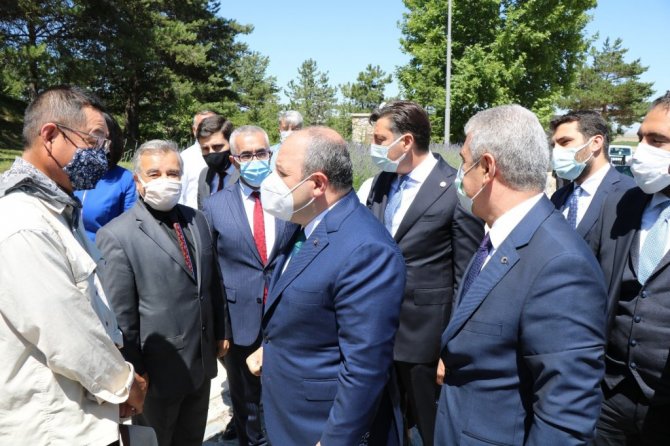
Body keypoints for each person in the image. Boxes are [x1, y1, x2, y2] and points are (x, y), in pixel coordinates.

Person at [434, 104, 607, 445]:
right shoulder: (499, 236)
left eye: (464, 162)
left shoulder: (560, 263)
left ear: (487, 168)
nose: (460, 174)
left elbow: (565, 417)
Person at [0, 85, 146, 445]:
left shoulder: (59, 209)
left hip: (83, 413)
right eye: (93, 139)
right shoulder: (23, 221)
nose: (103, 152)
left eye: (105, 142)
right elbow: (65, 329)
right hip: (55, 427)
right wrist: (124, 384)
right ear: (50, 135)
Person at [247, 127, 406, 445]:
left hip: (321, 427)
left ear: (318, 184)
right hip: (290, 415)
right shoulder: (305, 223)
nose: (270, 181)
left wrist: (335, 440)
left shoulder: (366, 250)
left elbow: (364, 367)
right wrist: (271, 349)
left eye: (282, 173)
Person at [364, 100, 483, 445]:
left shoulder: (454, 188)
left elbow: (467, 276)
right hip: (378, 332)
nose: (373, 146)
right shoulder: (382, 182)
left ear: (406, 142)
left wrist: (452, 347)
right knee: (384, 426)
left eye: (380, 139)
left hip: (425, 340)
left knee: (429, 429)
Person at [97, 139, 228, 446]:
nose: (165, 181)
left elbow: (212, 282)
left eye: (173, 173)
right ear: (138, 180)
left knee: (191, 438)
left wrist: (222, 331)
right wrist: (134, 372)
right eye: (154, 174)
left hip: (200, 362)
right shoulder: (117, 234)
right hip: (157, 373)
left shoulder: (197, 219)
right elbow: (122, 315)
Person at [203, 125, 297, 446]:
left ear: (270, 154)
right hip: (240, 321)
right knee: (247, 406)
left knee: (287, 400)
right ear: (234, 160)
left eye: (261, 153)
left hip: (286, 318)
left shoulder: (290, 198)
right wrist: (221, 328)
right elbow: (212, 273)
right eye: (246, 155)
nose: (255, 160)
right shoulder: (215, 206)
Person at [592, 91, 670, 445]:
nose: (641, 151)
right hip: (611, 394)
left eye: (657, 140)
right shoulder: (622, 202)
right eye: (641, 137)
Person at [549, 110, 635, 245]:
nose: (556, 151)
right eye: (554, 146)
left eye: (565, 142)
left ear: (595, 142)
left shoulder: (629, 194)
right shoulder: (558, 197)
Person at [75, 112, 137, 242]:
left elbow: (131, 228)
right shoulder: (69, 171)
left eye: (99, 136)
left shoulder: (124, 179)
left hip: (101, 251)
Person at [196, 114, 238, 208]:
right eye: (205, 148)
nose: (211, 152)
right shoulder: (204, 175)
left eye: (217, 147)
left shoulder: (244, 174)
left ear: (231, 144)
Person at [179, 110, 216, 208]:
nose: (208, 129)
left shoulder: (229, 155)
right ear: (194, 130)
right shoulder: (184, 158)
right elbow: (179, 194)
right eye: (203, 126)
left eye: (213, 125)